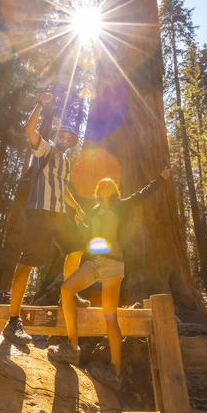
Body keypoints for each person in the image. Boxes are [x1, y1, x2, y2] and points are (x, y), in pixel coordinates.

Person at [48, 166, 171, 390]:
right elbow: (84, 234)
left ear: (114, 190)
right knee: (66, 290)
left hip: (113, 264)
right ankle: (72, 347)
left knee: (110, 317)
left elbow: (142, 194)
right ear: (98, 190)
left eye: (109, 185)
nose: (105, 187)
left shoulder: (121, 206)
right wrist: (77, 222)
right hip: (93, 263)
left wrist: (160, 179)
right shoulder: (93, 211)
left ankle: (115, 371)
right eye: (101, 185)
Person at [2, 92, 90, 348]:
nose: (65, 139)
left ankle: (68, 295)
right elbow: (29, 128)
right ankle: (13, 321)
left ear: (72, 142)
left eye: (69, 138)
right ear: (56, 137)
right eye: (61, 135)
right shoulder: (44, 149)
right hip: (40, 214)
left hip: (59, 215)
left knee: (77, 247)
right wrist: (40, 104)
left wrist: (76, 208)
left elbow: (62, 190)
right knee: (27, 264)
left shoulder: (64, 162)